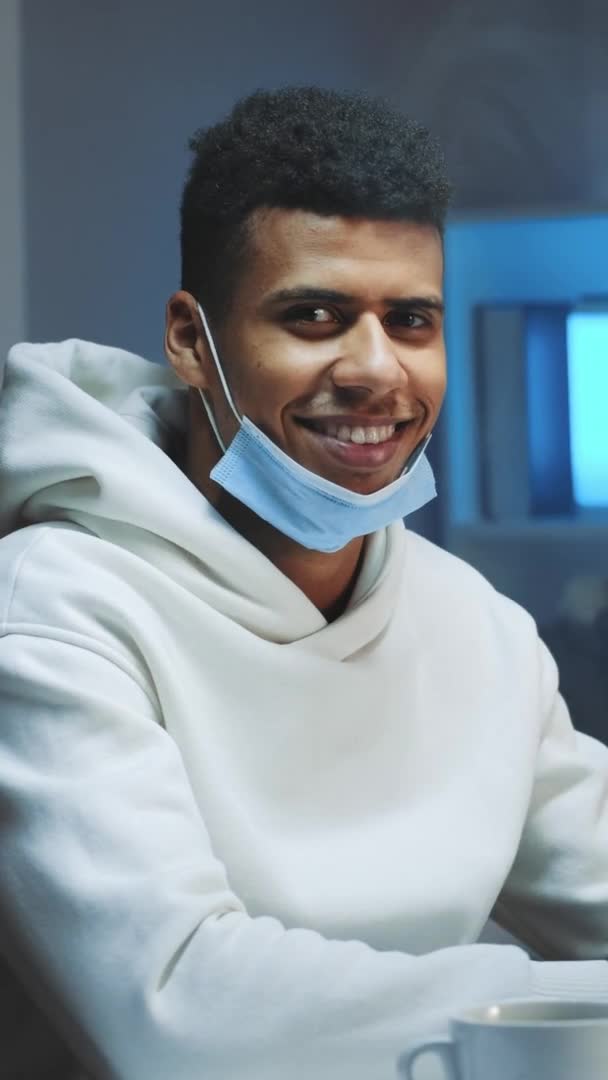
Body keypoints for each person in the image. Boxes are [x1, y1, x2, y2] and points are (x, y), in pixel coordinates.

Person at [1, 86, 608, 1080]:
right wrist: (542, 1000)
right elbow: (180, 1013)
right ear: (191, 340)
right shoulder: (54, 613)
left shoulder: (475, 628)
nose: (375, 369)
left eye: (410, 321)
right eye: (315, 315)